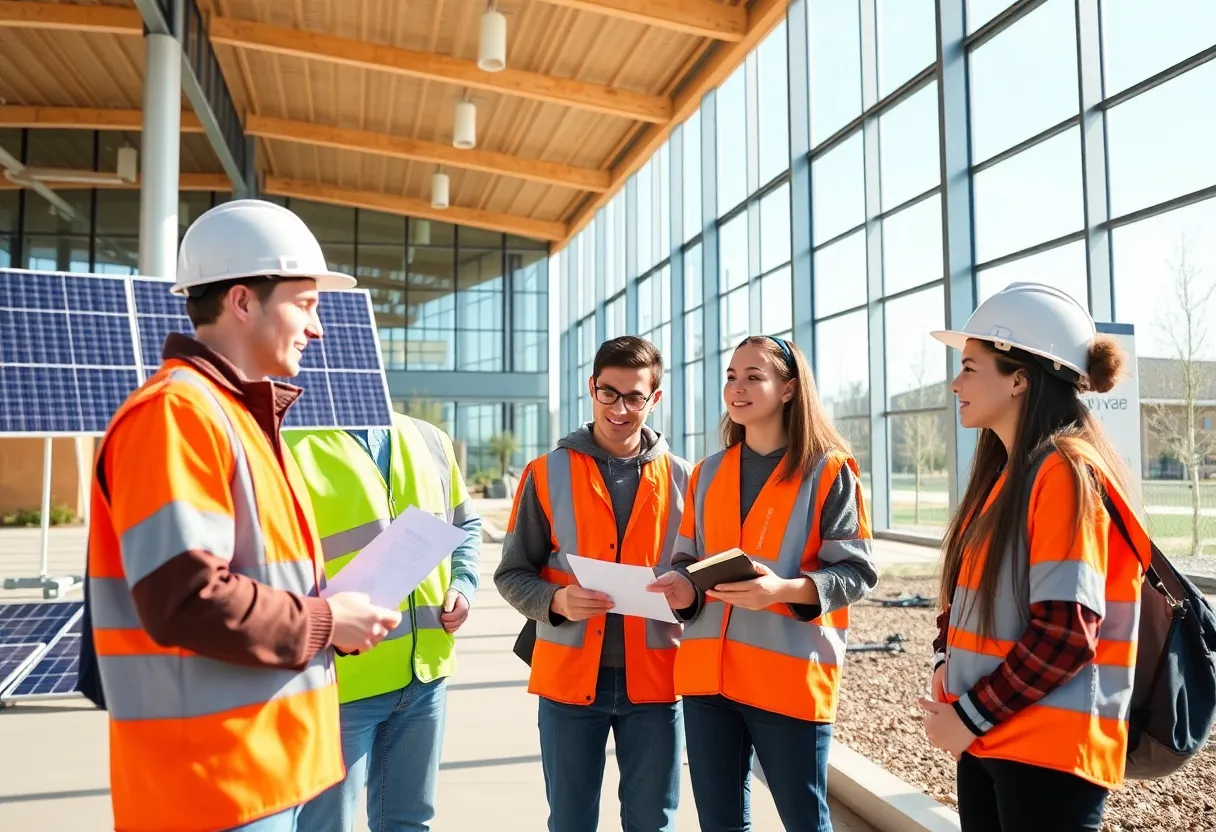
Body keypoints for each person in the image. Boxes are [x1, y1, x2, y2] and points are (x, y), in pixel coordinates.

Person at [78, 199, 404, 832]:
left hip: (256, 775)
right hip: (210, 786)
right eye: (305, 305)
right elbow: (188, 598)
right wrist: (327, 620)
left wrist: (330, 619)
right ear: (242, 302)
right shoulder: (177, 415)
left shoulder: (238, 420)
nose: (318, 329)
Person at [918, 282, 1147, 832]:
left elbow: (1068, 630)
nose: (955, 383)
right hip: (994, 738)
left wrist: (969, 716)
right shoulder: (1010, 476)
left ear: (1019, 378)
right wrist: (944, 663)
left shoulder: (1063, 472)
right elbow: (971, 600)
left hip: (1044, 752)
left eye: (969, 367)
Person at [648, 335, 878, 832]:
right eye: (732, 377)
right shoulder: (708, 473)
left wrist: (783, 591)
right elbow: (687, 561)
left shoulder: (829, 471)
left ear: (789, 389)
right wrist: (682, 588)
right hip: (708, 681)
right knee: (720, 824)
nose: (737, 387)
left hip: (786, 681)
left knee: (804, 821)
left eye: (754, 377)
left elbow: (857, 572)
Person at [493, 335, 692, 832]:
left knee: (654, 822)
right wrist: (555, 599)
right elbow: (511, 572)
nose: (619, 409)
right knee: (570, 821)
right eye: (609, 393)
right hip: (568, 679)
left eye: (634, 397)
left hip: (658, 682)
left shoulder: (686, 481)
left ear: (655, 398)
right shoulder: (545, 473)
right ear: (591, 388)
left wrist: (689, 588)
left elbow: (701, 578)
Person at [287, 410, 483, 832]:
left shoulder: (430, 438)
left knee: (410, 824)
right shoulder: (288, 444)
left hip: (425, 676)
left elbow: (465, 522)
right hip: (341, 683)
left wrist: (463, 584)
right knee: (325, 827)